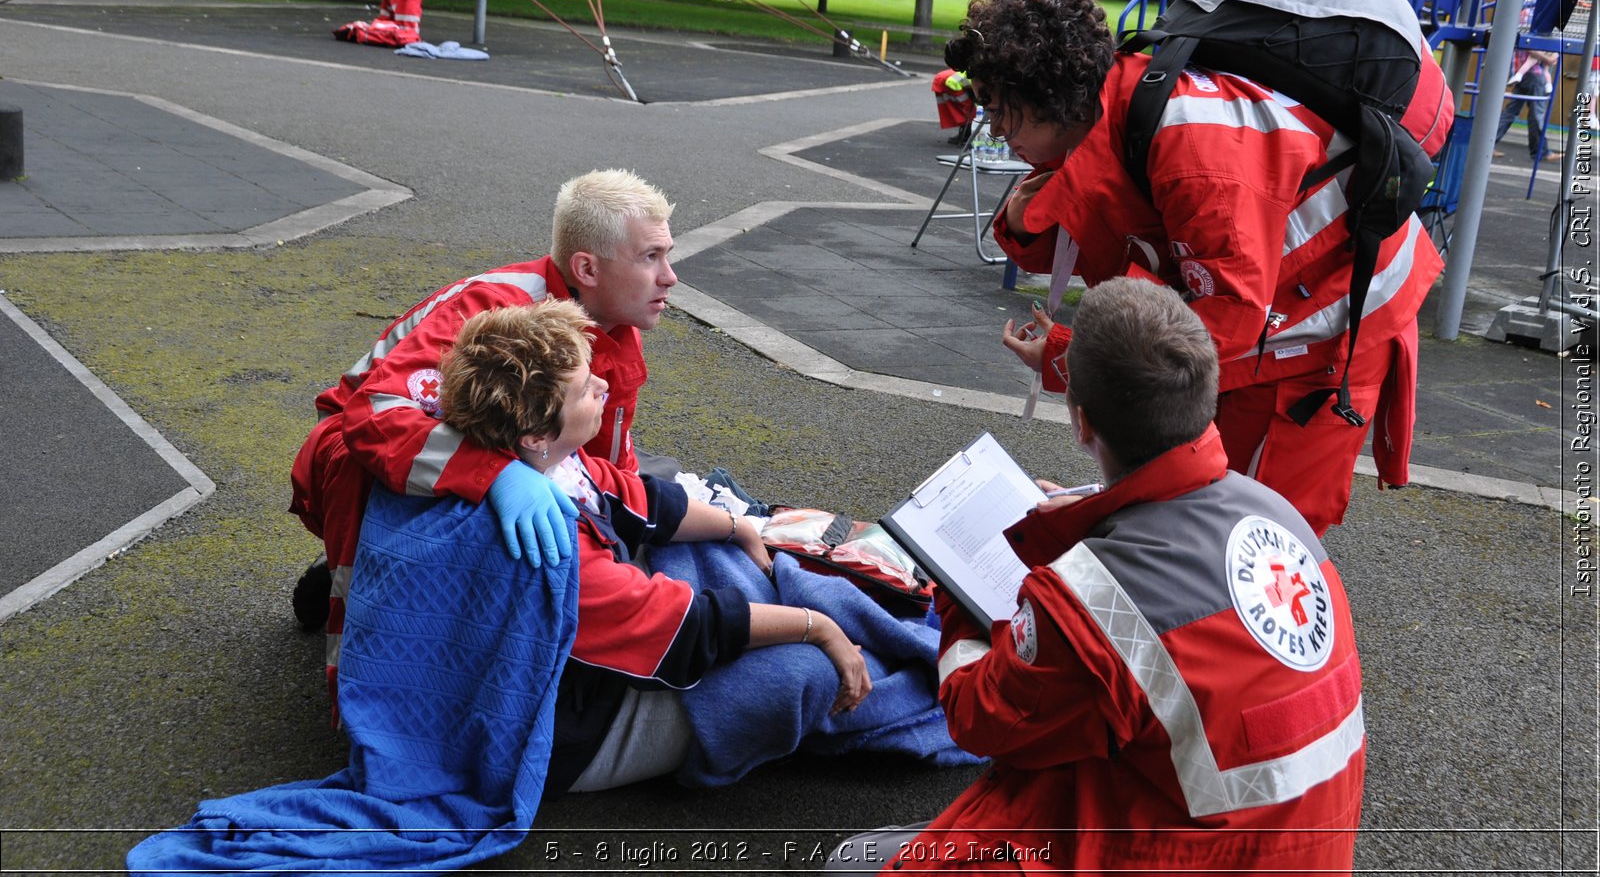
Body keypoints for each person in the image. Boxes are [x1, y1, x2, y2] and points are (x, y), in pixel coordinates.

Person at [828, 277, 1365, 874]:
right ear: (1205, 398)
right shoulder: (1279, 513)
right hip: (1294, 847)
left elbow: (981, 720)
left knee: (853, 862)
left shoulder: (1091, 599)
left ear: (1082, 423)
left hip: (1166, 851)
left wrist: (955, 596)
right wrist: (1096, 517)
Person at [951, 0, 1442, 535]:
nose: (991, 127)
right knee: (1186, 507)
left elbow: (1214, 329)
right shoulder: (1111, 109)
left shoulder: (1192, 145)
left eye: (998, 107)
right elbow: (1096, 238)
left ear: (1044, 95)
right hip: (1270, 309)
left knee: (1248, 533)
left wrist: (1078, 363)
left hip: (1317, 331)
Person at [289, 168, 678, 720]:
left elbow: (600, 454)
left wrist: (620, 533)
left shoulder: (616, 320)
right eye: (651, 257)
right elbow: (374, 417)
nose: (671, 277)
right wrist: (496, 475)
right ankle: (372, 705)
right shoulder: (497, 311)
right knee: (451, 503)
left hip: (453, 444)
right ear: (588, 269)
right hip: (350, 458)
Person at [440, 301, 871, 793]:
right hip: (566, 736)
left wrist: (739, 527)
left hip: (582, 662)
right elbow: (687, 628)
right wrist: (820, 628)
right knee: (802, 674)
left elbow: (642, 499)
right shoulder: (548, 541)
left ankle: (862, 640)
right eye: (584, 388)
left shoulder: (531, 463)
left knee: (714, 551)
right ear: (537, 433)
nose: (603, 385)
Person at [1493, 45, 1562, 164]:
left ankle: (1489, 143)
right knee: (1536, 114)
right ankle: (1541, 152)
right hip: (1534, 74)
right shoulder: (1532, 28)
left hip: (1522, 72)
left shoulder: (1517, 27)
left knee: (1511, 111)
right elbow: (1531, 47)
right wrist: (1548, 58)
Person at [931, 68, 975, 145]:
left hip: (946, 80)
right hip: (950, 82)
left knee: (966, 108)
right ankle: (967, 133)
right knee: (967, 108)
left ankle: (967, 132)